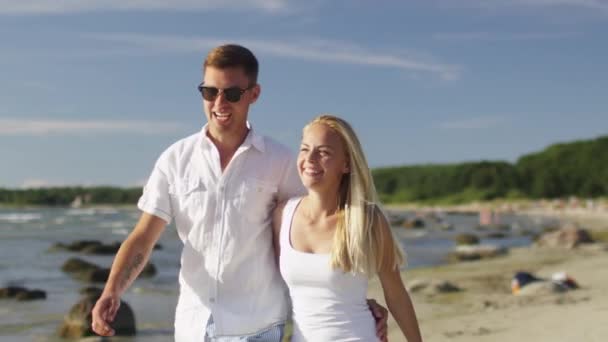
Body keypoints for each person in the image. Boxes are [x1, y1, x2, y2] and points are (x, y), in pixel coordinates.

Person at [91, 44, 388, 341]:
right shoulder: (175, 159)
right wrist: (112, 291)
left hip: (257, 326)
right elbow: (144, 236)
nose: (219, 103)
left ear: (254, 94)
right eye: (210, 92)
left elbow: (318, 234)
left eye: (231, 94)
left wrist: (354, 302)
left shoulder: (281, 161)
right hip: (193, 326)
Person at [272, 115, 423, 341]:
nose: (310, 158)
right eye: (304, 149)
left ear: (346, 164)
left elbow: (396, 293)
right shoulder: (282, 215)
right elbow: (271, 287)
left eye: (323, 152)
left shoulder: (367, 219)